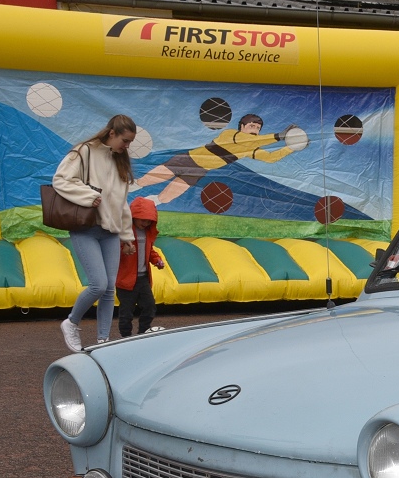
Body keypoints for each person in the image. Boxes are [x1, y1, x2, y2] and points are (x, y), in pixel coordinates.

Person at [55, 114, 138, 352]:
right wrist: (89, 195)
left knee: (110, 288)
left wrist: (127, 237)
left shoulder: (120, 160)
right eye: (125, 140)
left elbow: (121, 203)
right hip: (85, 227)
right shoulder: (85, 151)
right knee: (98, 285)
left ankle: (103, 341)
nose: (127, 146)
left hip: (110, 232)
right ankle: (71, 322)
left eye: (130, 142)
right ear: (112, 133)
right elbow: (61, 180)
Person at [133, 113, 299, 206]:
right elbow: (250, 140)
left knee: (164, 199)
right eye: (252, 126)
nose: (255, 130)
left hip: (199, 171)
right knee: (143, 182)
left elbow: (270, 158)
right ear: (242, 127)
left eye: (258, 128)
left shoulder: (250, 148)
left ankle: (141, 209)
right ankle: (128, 188)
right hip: (187, 160)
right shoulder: (231, 134)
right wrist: (279, 136)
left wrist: (291, 147)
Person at [116, 196, 166, 337]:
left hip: (143, 278)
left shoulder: (147, 232)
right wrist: (123, 250)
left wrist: (157, 260)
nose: (146, 223)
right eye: (143, 220)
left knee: (149, 307)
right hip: (125, 279)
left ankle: (143, 333)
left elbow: (149, 251)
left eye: (149, 221)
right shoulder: (125, 232)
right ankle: (125, 336)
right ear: (133, 216)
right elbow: (114, 251)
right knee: (126, 312)